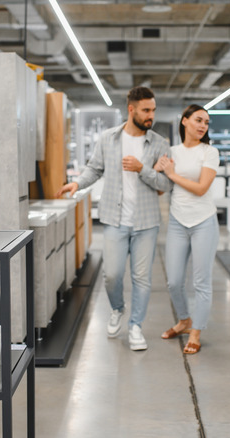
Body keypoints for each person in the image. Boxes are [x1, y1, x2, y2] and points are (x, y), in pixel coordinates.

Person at [56, 87, 172, 351]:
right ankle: (117, 309)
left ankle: (135, 326)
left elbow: (166, 184)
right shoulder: (108, 139)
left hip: (146, 221)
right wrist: (77, 184)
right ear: (131, 110)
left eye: (153, 110)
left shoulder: (160, 144)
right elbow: (94, 169)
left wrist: (142, 169)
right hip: (114, 218)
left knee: (141, 278)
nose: (150, 115)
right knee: (112, 275)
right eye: (146, 110)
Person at [155, 104, 219, 354]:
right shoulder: (171, 152)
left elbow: (202, 188)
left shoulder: (210, 152)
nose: (203, 125)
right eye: (198, 120)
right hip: (178, 221)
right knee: (174, 281)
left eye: (206, 122)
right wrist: (159, 170)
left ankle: (196, 332)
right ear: (184, 121)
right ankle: (184, 320)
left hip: (204, 221)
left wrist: (171, 174)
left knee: (202, 282)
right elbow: (161, 189)